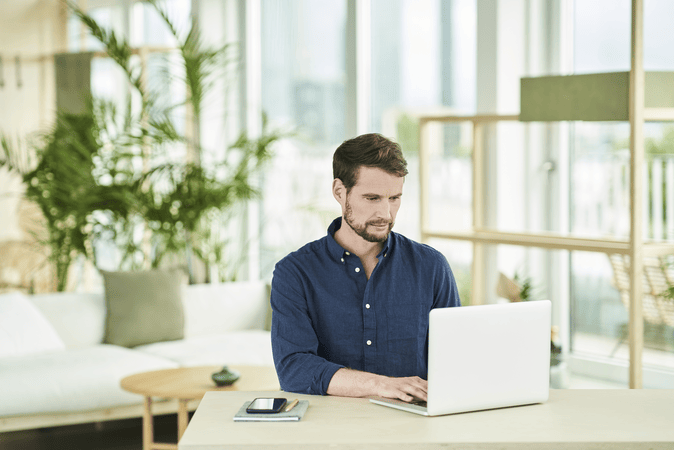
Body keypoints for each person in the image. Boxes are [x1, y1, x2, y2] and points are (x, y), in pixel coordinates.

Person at [270, 133, 461, 402]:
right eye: (372, 198)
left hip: (416, 430)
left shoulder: (431, 267)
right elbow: (294, 369)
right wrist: (379, 385)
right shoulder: (295, 273)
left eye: (394, 198)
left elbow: (456, 360)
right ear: (339, 191)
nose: (386, 213)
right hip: (331, 433)